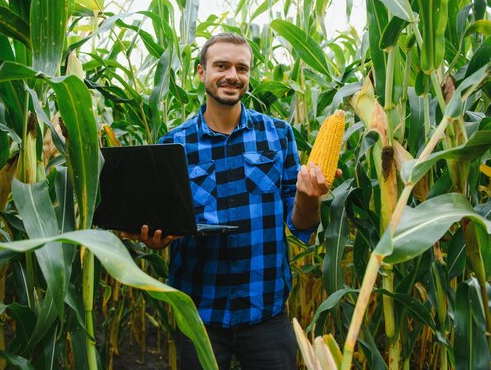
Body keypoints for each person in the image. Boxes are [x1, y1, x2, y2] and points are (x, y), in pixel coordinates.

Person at [121, 32, 338, 370]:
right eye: (221, 65)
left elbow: (301, 225)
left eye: (242, 68)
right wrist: (155, 239)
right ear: (201, 72)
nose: (232, 76)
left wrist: (310, 199)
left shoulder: (278, 135)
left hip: (266, 311)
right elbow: (162, 228)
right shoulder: (173, 144)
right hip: (200, 314)